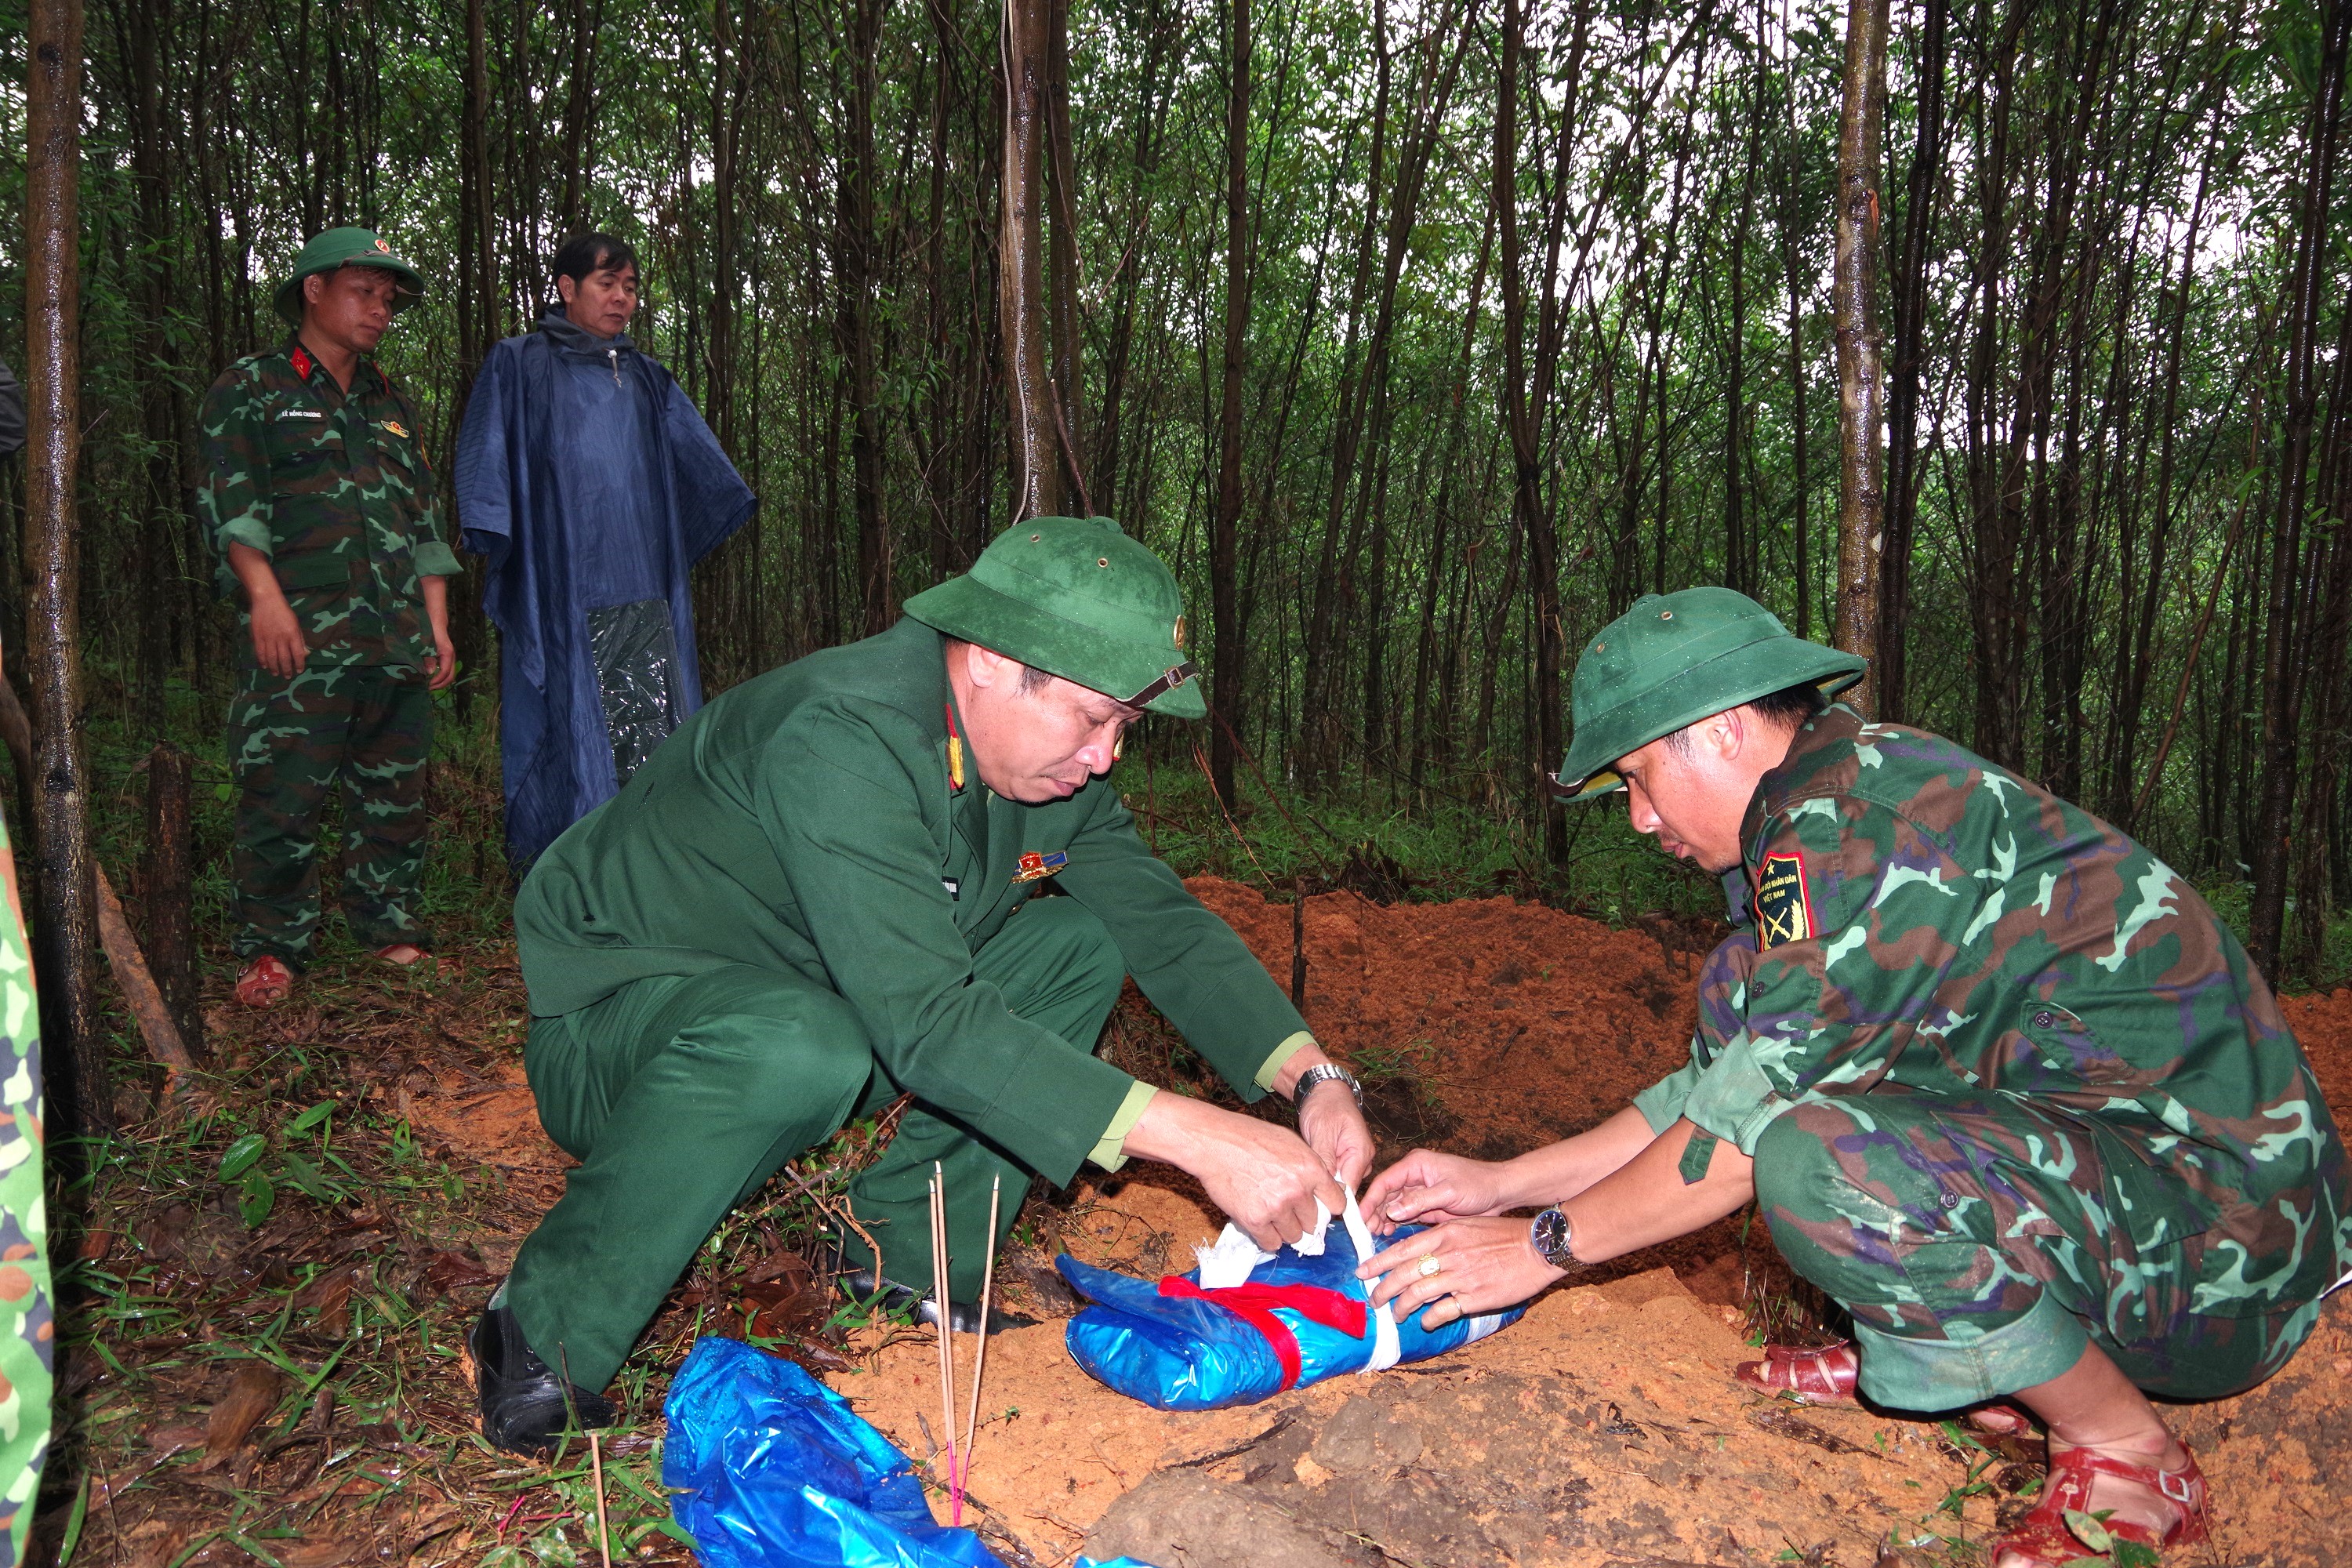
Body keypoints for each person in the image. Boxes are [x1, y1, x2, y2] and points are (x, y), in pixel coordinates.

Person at [1356, 587, 2351, 1568]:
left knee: (1814, 1159)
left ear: (1726, 729)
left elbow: (1747, 1138)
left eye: (1637, 777)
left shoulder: (1853, 822)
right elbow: (1708, 1100)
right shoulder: (1806, 834)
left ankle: (2128, 1450)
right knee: (1771, 1057)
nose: (1638, 817)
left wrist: (1544, 1245)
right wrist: (1502, 1179)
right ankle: (1940, 1355)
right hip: (2135, 1205)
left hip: (2231, 1242)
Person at [470, 515, 1377, 1454]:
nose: (1106, 755)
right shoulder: (843, 731)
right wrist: (1198, 1137)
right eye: (1094, 716)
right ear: (988, 657)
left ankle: (910, 1265)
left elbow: (1166, 925)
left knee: (1077, 943)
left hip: (830, 1010)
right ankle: (540, 1331)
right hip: (633, 1033)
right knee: (800, 1041)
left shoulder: (1048, 776)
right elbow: (930, 1024)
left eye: (1125, 728)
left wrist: (1311, 1077)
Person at [195, 227, 462, 1007]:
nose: (380, 310)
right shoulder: (252, 387)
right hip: (299, 630)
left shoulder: (391, 403)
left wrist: (436, 623)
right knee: (283, 789)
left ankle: (389, 928)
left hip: (393, 632)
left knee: (394, 793)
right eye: (364, 292)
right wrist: (265, 599)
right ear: (313, 290)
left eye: (388, 299)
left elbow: (423, 521)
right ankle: (272, 947)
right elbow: (231, 501)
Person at [453, 232, 753, 866]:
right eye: (606, 284)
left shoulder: (647, 378)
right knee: (568, 726)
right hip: (563, 587)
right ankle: (565, 875)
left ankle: (651, 873)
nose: (622, 298)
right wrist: (493, 531)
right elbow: (487, 455)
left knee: (652, 726)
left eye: (631, 286)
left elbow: (703, 472)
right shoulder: (521, 363)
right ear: (567, 289)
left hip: (644, 589)